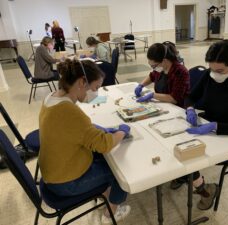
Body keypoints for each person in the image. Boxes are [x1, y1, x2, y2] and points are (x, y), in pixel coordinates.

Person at [38, 59, 131, 224]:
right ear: (82, 82)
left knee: (105, 159)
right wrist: (122, 131)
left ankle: (105, 195)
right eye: (95, 88)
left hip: (53, 173)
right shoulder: (69, 111)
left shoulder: (52, 98)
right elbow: (105, 144)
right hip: (65, 182)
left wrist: (96, 129)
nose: (95, 93)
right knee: (121, 172)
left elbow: (72, 130)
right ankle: (111, 214)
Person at [176, 39, 228, 210]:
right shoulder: (209, 75)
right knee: (176, 142)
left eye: (220, 70)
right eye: (212, 69)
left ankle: (205, 190)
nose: (215, 74)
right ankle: (184, 175)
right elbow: (190, 96)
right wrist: (190, 109)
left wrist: (216, 126)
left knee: (188, 153)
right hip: (208, 129)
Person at [134, 42, 189, 108]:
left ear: (164, 61)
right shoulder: (160, 68)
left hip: (176, 107)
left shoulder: (180, 72)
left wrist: (153, 95)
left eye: (154, 66)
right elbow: (152, 76)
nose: (154, 68)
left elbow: (175, 99)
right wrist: (141, 85)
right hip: (162, 104)